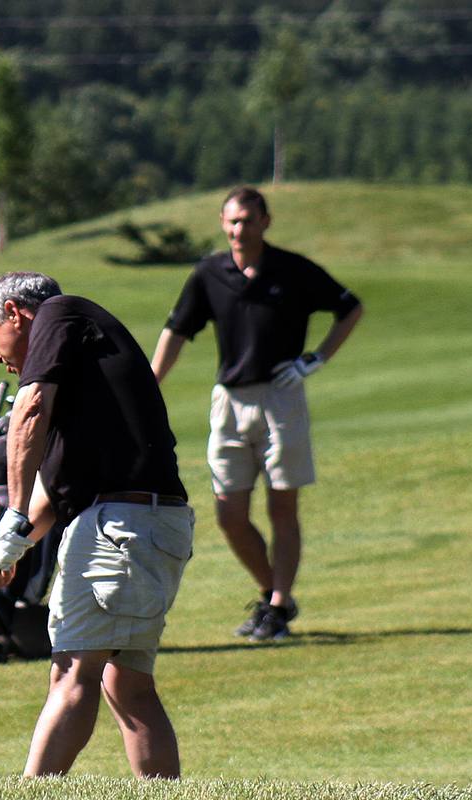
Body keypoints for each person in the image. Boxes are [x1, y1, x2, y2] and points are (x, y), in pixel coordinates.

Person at [0, 271, 193, 779]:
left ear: (15, 313)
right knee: (128, 686)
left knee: (72, 674)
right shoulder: (84, 371)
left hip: (118, 528)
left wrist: (9, 517)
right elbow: (54, 494)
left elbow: (28, 411)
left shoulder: (58, 313)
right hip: (155, 528)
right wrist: (8, 551)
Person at [150, 186, 364, 641]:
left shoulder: (292, 269)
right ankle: (272, 594)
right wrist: (148, 387)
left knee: (282, 506)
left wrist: (316, 358)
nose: (237, 229)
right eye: (231, 221)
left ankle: (279, 604)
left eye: (247, 220)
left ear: (265, 221)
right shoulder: (210, 273)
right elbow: (177, 331)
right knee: (229, 514)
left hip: (281, 398)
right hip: (229, 401)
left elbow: (349, 308)